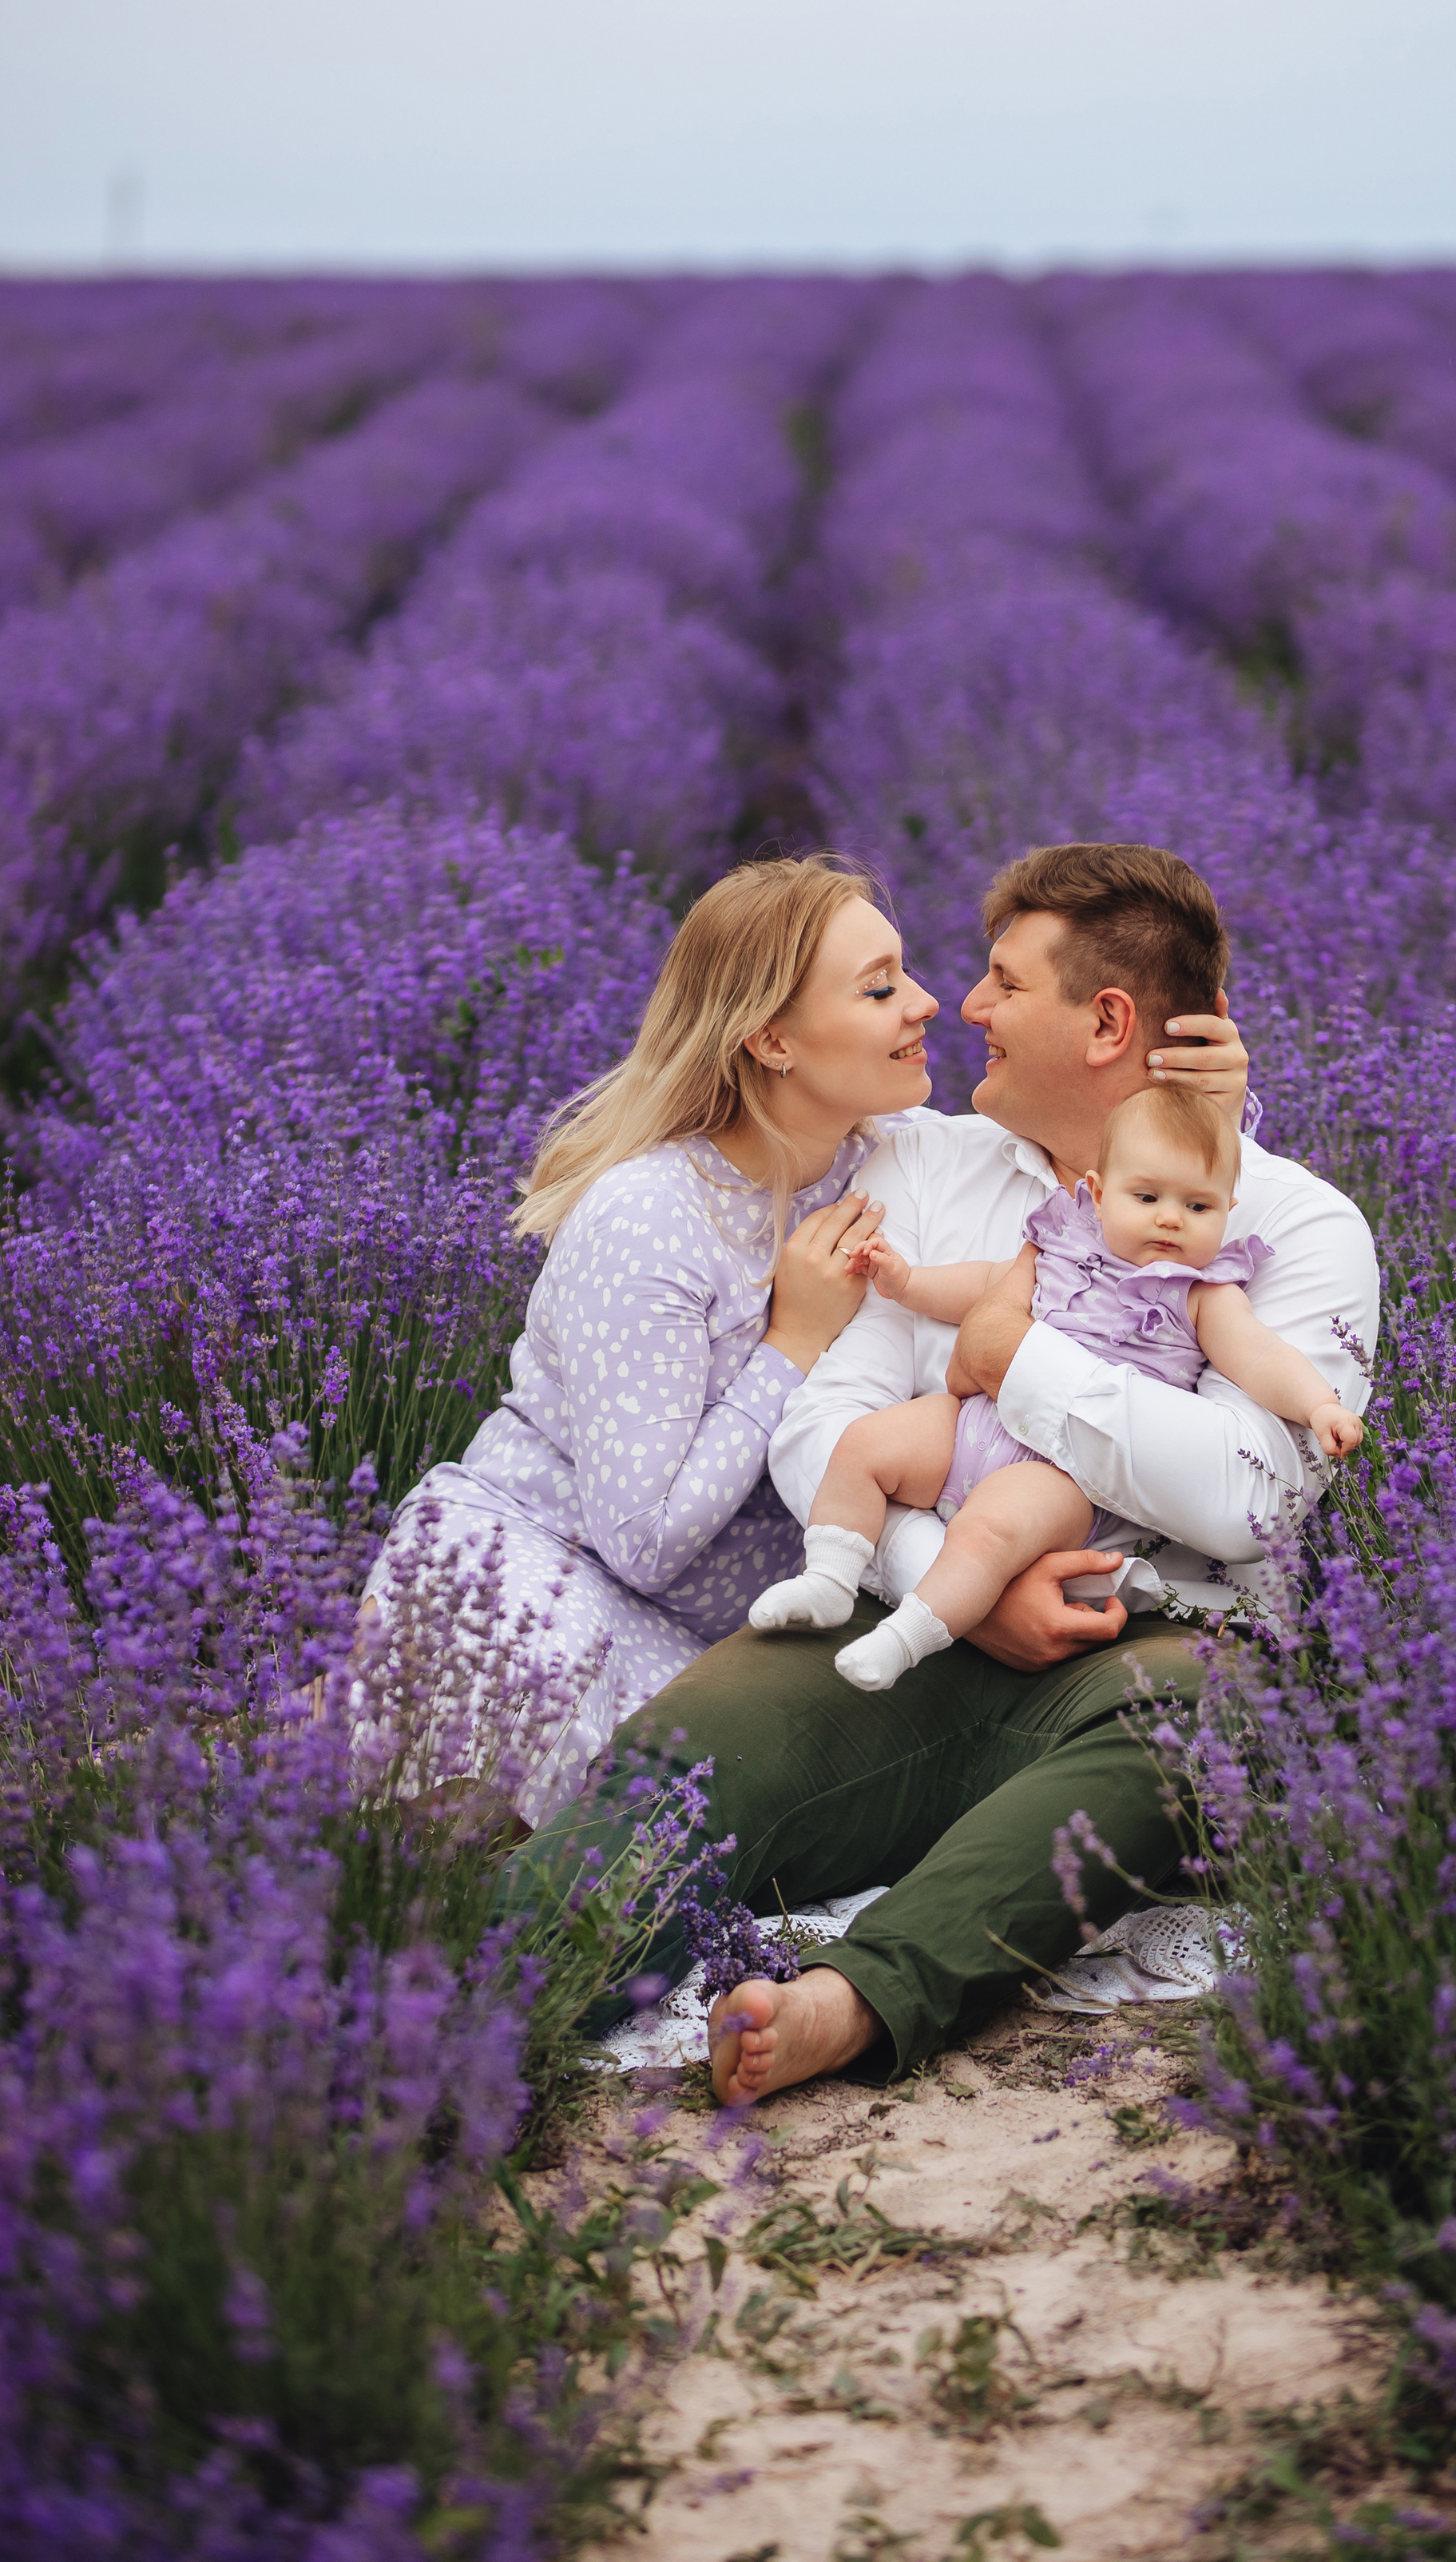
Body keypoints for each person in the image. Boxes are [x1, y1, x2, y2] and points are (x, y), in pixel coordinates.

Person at [495, 840, 1379, 2100]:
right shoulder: (928, 1169)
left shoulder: (1296, 1227)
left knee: (1201, 1733)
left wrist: (1016, 1361)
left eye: (1004, 983)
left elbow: (1250, 1498)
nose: (961, 1008)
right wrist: (948, 1583)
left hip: (1152, 1649)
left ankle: (849, 2006)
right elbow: (825, 1423)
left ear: (1110, 1020)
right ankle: (425, 2010)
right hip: (900, 1629)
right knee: (689, 1760)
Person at [359, 854, 926, 1818]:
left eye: (905, 972)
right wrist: (789, 1344)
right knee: (528, 1747)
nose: (924, 1002)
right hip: (545, 1565)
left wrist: (1207, 1091)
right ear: (772, 1041)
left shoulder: (903, 1158)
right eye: (879, 988)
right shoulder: (654, 1218)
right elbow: (643, 1541)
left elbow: (1114, 1189)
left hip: (731, 1631)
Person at [753, 1082, 1365, 1691]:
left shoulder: (1203, 1294)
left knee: (984, 1533)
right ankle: (831, 1579)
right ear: (1098, 1194)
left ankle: (905, 1639)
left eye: (1198, 1207)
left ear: (1228, 1209)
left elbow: (1260, 1357)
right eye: (1146, 1196)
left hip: (1060, 1474)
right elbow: (983, 1284)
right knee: (863, 1445)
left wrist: (1318, 1405)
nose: (1170, 1218)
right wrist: (908, 1283)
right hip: (975, 1421)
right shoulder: (1062, 1240)